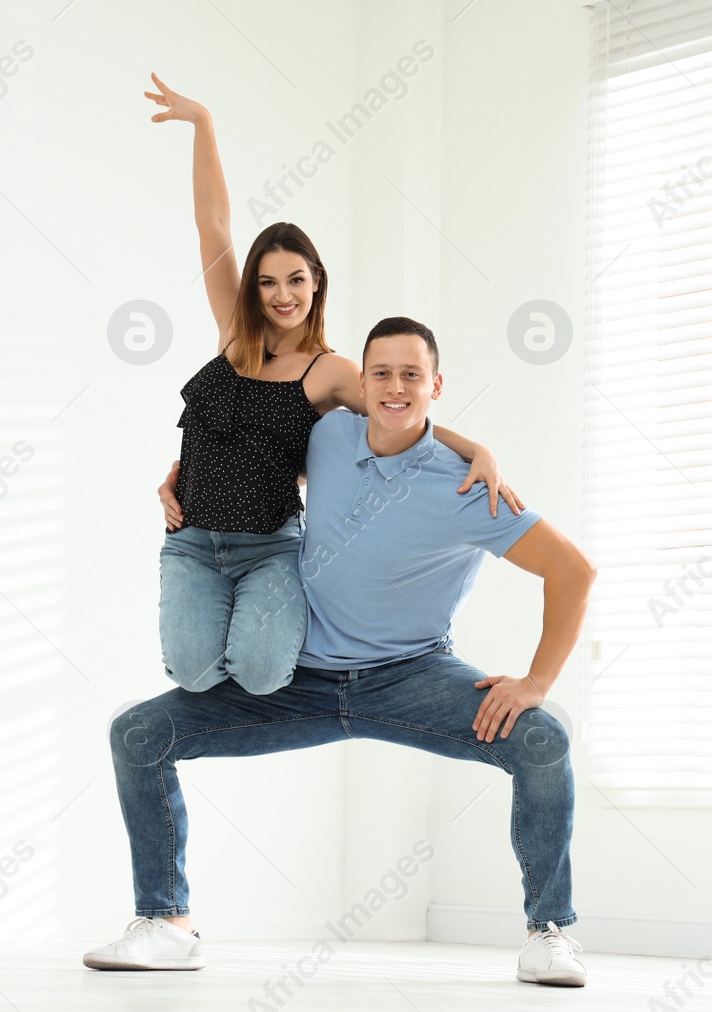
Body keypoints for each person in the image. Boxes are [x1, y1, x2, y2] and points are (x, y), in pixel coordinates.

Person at [86, 316, 597, 987]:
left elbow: (573, 571)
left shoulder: (469, 488)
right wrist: (180, 478)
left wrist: (534, 682)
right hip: (298, 676)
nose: (394, 386)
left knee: (542, 737)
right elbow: (250, 459)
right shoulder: (328, 435)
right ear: (361, 381)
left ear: (436, 385)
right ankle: (166, 923)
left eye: (411, 374)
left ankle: (549, 932)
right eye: (380, 373)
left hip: (410, 676)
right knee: (139, 731)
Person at [144, 73, 520, 698]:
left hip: (269, 547)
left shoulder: (331, 371)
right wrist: (204, 124)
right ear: (253, 290)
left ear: (316, 281)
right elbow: (213, 225)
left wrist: (477, 449)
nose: (282, 295)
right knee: (194, 674)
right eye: (267, 282)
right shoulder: (235, 336)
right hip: (192, 543)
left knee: (263, 677)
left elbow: (396, 410)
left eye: (295, 279)